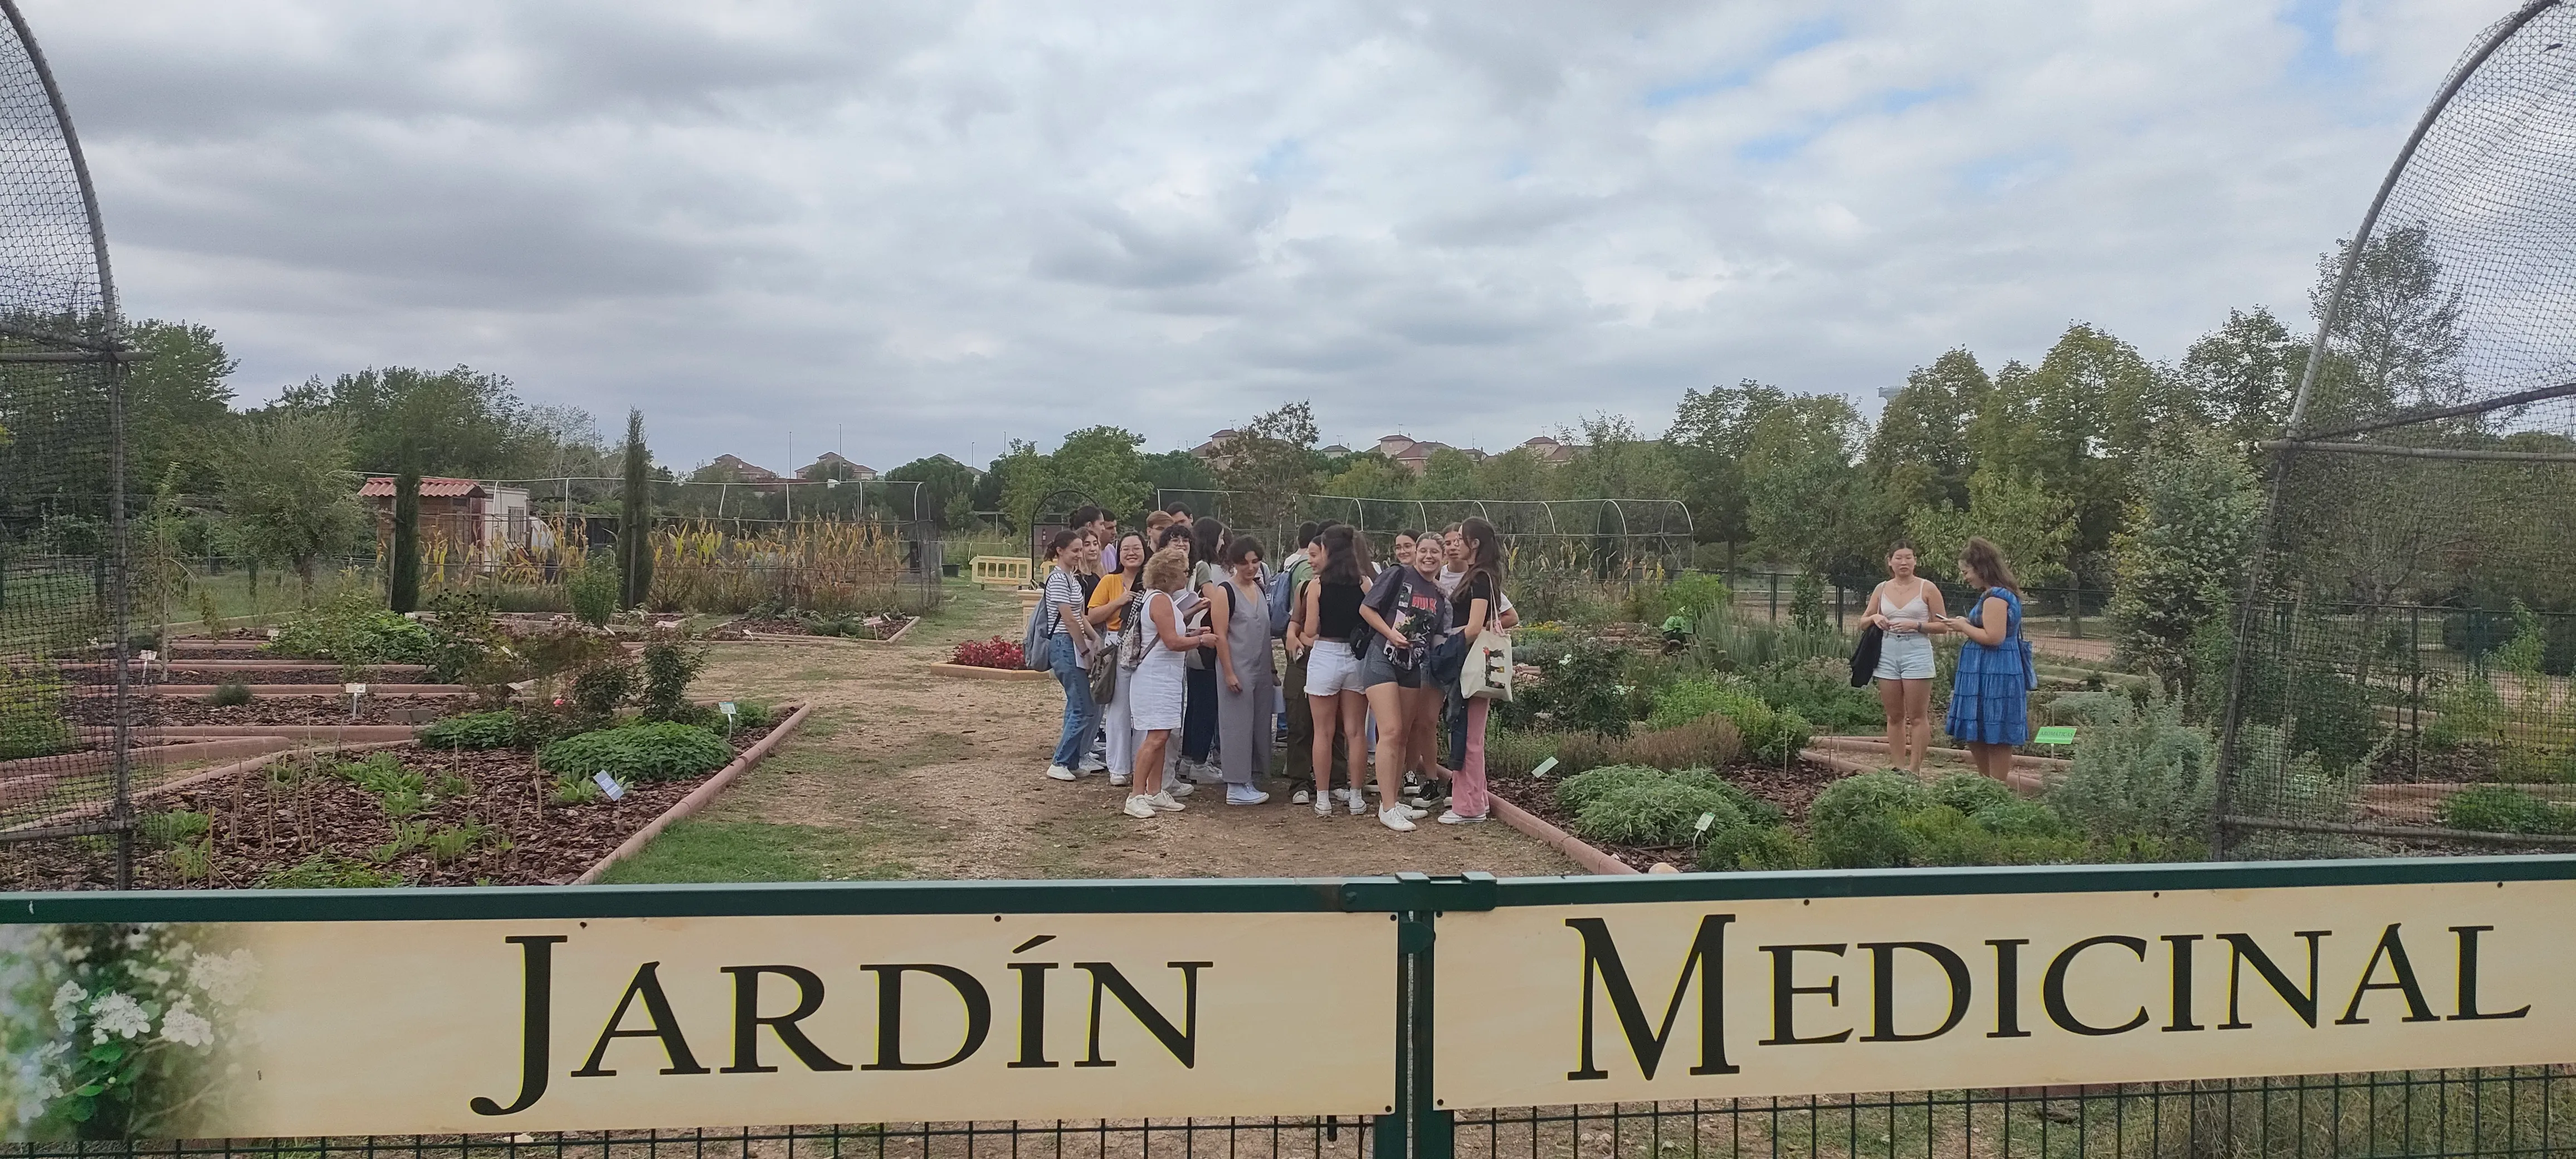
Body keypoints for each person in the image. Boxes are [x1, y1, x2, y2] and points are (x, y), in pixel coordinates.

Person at [1355, 529, 1447, 832]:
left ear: (1443, 557)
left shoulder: (1439, 596)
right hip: (1382, 656)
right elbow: (1366, 608)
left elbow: (1436, 637)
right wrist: (1390, 633)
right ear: (1416, 552)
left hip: (1411, 666)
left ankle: (1393, 802)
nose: (1429, 556)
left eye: (1436, 551)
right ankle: (1388, 807)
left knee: (1403, 734)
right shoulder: (1398, 575)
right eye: (1424, 550)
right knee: (1391, 730)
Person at [1124, 544, 1213, 818]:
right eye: (1184, 571)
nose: (1187, 575)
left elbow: (1169, 633)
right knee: (1156, 736)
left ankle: (1155, 790)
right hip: (1155, 678)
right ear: (1169, 574)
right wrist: (1200, 640)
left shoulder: (1162, 599)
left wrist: (1193, 630)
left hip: (1166, 677)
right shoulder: (1159, 600)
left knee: (1162, 736)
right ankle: (1136, 794)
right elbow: (1173, 642)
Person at [1940, 536, 2032, 783]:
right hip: (1984, 670)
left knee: (1996, 729)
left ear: (1981, 568)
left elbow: (1994, 637)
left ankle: (1995, 788)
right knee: (1980, 728)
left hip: (1995, 670)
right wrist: (1968, 623)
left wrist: (1962, 626)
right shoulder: (1993, 595)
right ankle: (1987, 785)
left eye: (1966, 571)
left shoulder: (1996, 597)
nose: (1965, 577)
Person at [1296, 525, 1372, 819]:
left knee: (1323, 732)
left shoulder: (1316, 586)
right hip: (1355, 657)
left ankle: (1323, 799)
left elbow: (1311, 629)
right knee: (1355, 732)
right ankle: (1355, 796)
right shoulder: (1364, 583)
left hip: (1326, 655)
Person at [1860, 542, 1950, 776]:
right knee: (1894, 715)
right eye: (1899, 558)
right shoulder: (1881, 588)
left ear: (1915, 561)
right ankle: (1898, 767)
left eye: (1909, 558)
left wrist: (1917, 625)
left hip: (1916, 650)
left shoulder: (1927, 588)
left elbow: (1943, 626)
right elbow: (1863, 621)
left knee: (1918, 715)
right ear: (1890, 561)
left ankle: (1915, 769)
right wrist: (1876, 618)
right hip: (1888, 651)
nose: (1904, 563)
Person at [1439, 517, 1504, 824]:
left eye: (1461, 539)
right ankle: (1476, 798)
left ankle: (1468, 808)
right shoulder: (1486, 575)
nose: (1455, 544)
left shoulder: (1480, 578)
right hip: (1476, 663)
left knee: (1467, 735)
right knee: (1471, 733)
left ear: (1474, 544)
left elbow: (1475, 626)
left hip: (1469, 664)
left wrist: (1443, 645)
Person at [1206, 535, 1276, 805]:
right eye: (1244, 563)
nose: (1251, 567)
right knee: (1236, 725)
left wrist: (1271, 670)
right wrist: (1229, 672)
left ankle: (1250, 777)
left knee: (1258, 723)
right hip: (1237, 667)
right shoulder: (1225, 592)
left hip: (1259, 668)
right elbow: (1220, 635)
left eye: (1255, 561)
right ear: (1234, 563)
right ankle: (1235, 784)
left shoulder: (1258, 589)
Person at [1038, 530, 1101, 782]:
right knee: (1083, 707)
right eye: (1075, 550)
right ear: (1060, 551)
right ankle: (1061, 761)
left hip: (1074, 643)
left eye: (1080, 550)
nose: (1079, 554)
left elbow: (1080, 615)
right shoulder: (1057, 580)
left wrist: (1094, 637)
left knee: (1077, 704)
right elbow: (1068, 618)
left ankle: (1072, 761)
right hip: (1065, 644)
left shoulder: (1072, 580)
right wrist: (1084, 647)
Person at [1090, 530, 1148, 786]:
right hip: (1117, 643)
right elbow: (1092, 616)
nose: (1131, 553)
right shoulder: (1109, 582)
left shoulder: (1151, 581)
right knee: (1118, 708)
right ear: (1118, 553)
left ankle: (1141, 764)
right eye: (1126, 549)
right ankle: (1118, 766)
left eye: (1136, 548)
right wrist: (1120, 602)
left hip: (1146, 644)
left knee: (1143, 709)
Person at [1277, 520, 1326, 802]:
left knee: (1335, 726)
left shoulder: (1352, 585)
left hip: (1329, 658)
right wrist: (1292, 636)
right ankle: (1299, 783)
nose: (1310, 560)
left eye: (1314, 554)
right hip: (1303, 661)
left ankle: (1334, 778)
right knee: (1298, 720)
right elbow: (1295, 621)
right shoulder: (1305, 586)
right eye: (1309, 554)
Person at [1177, 516, 1229, 783]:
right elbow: (1215, 599)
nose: (1223, 543)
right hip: (1205, 638)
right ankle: (1199, 760)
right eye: (1220, 538)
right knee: (1208, 702)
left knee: (1196, 703)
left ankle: (1188, 757)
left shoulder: (1189, 567)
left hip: (1188, 639)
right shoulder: (1208, 569)